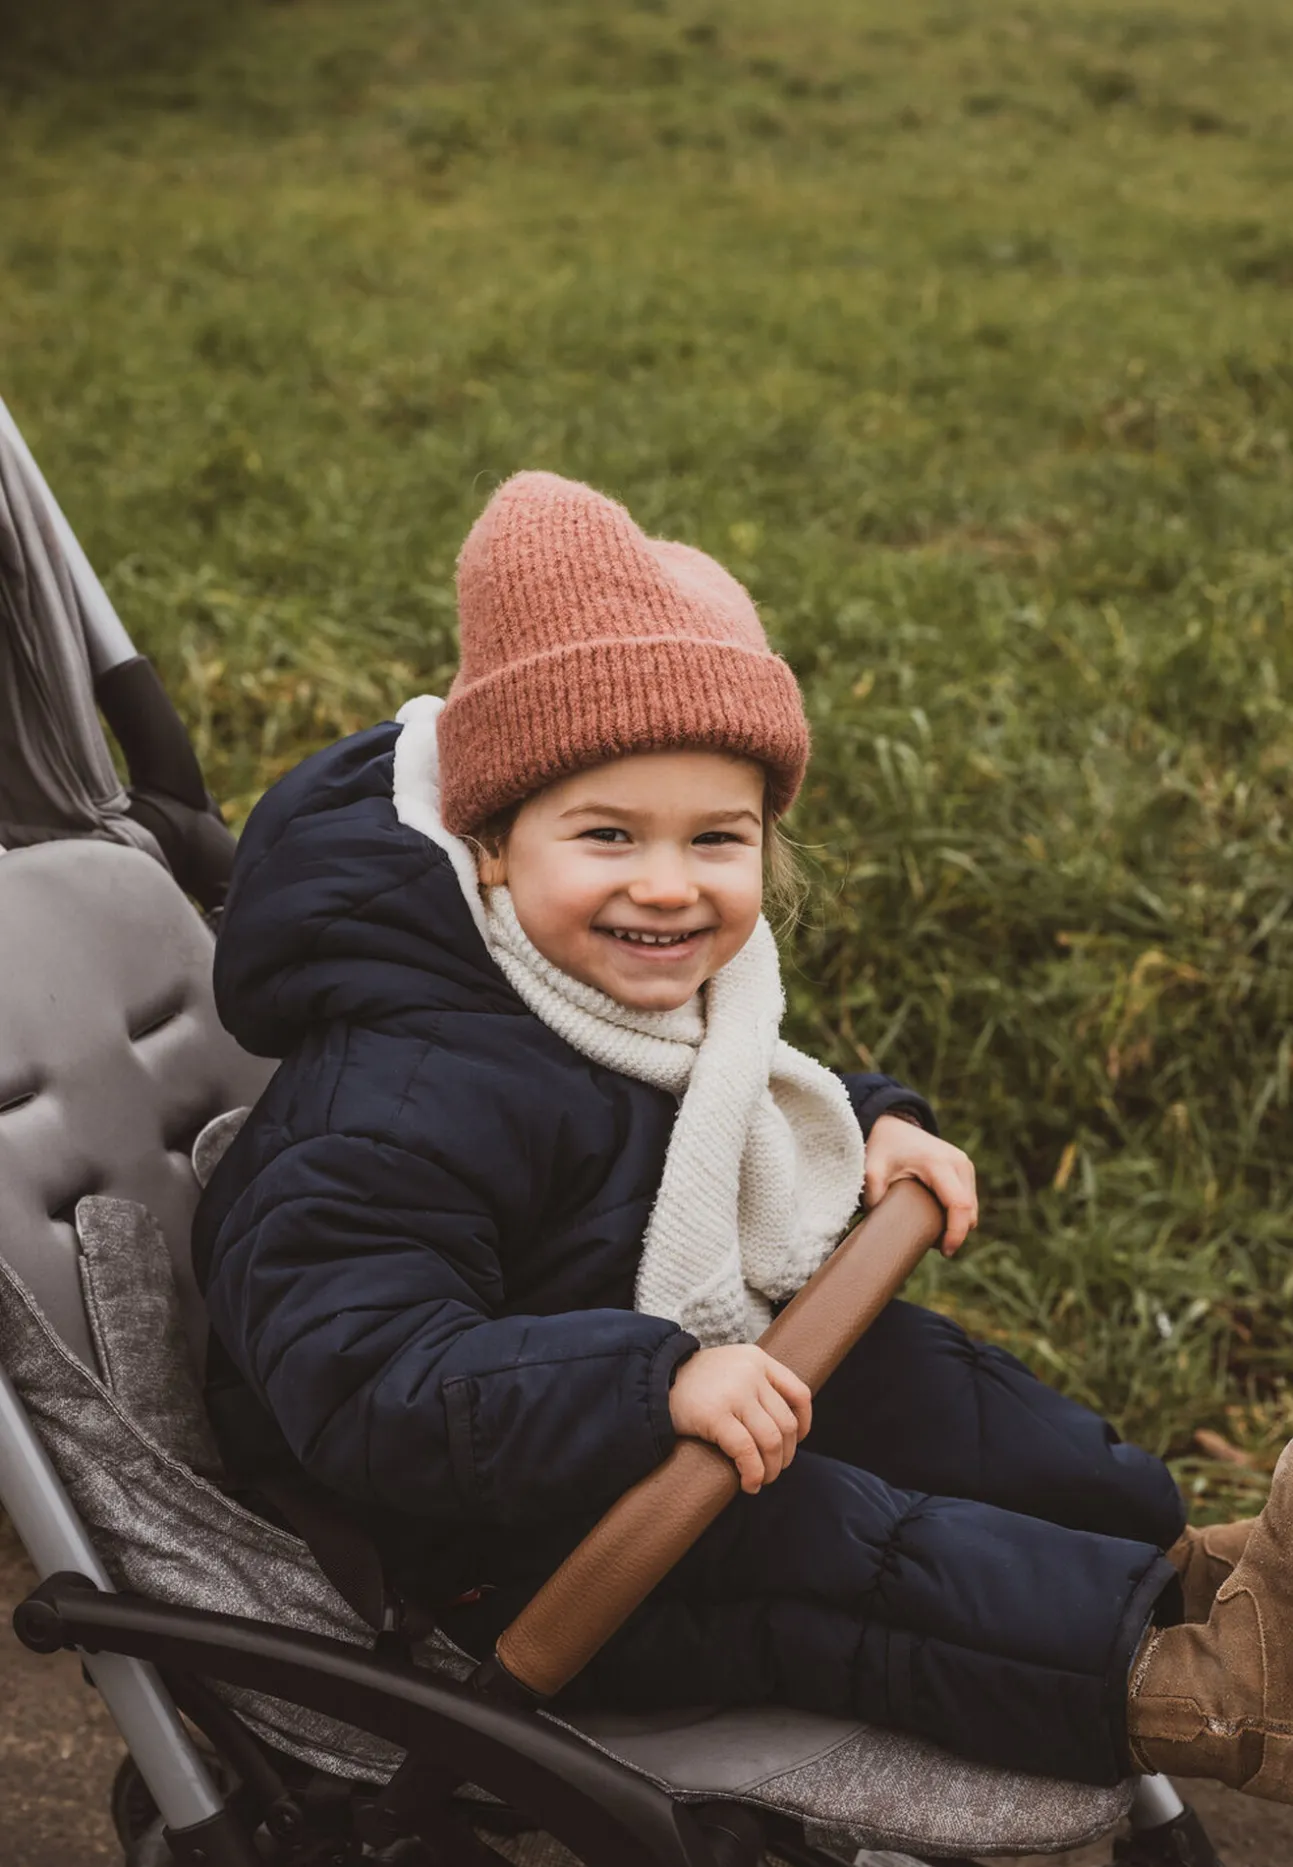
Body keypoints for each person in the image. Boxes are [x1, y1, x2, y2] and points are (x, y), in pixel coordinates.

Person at [193, 470, 1286, 1798]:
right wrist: (647, 1387)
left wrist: (867, 1125)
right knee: (826, 1542)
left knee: (925, 1389)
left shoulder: (600, 988)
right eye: (609, 834)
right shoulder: (396, 1097)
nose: (668, 884)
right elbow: (369, 1380)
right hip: (506, 1551)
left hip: (644, 1380)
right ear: (490, 845)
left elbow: (707, 1106)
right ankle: (1200, 1686)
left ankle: (1182, 1568)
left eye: (718, 838)